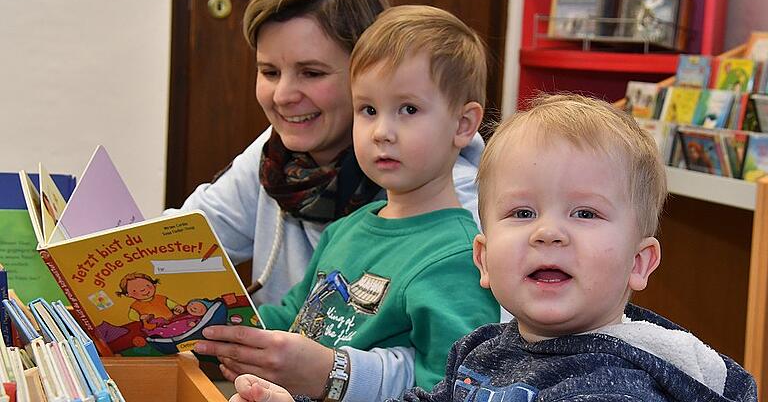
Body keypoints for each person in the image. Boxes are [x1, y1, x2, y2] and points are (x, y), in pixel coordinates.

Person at [228, 93, 758, 402]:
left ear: (639, 263)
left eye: (586, 214)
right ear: (482, 259)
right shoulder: (481, 348)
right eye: (522, 213)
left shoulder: (617, 384)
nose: (548, 233)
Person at [198, 4, 500, 401]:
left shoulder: (459, 257)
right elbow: (292, 317)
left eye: (408, 109)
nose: (382, 132)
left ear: (463, 125)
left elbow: (453, 389)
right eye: (368, 110)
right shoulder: (347, 229)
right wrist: (216, 327)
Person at [170, 0, 485, 308]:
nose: (284, 96)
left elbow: (467, 346)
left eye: (312, 73)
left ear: (370, 70)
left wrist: (329, 363)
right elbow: (181, 246)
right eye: (269, 72)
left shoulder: (452, 197)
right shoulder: (276, 159)